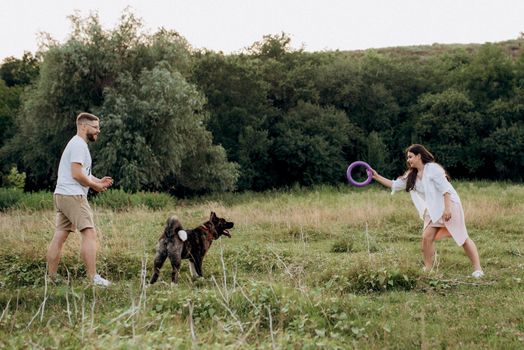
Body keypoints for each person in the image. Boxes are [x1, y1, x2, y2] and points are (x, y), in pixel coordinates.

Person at [371, 144, 484, 278]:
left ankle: (478, 269)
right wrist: (376, 177)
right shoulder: (411, 175)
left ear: (419, 156)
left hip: (450, 205)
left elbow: (446, 189)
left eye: (410, 157)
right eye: (407, 158)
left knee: (462, 238)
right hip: (433, 209)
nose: (408, 160)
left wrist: (447, 209)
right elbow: (395, 185)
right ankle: (428, 269)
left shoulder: (433, 169)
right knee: (426, 237)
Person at [46, 112, 113, 286]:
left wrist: (98, 181)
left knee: (60, 235)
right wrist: (94, 186)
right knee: (89, 233)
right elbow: (76, 174)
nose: (98, 131)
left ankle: (51, 277)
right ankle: (93, 278)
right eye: (96, 127)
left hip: (62, 194)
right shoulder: (78, 145)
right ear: (84, 126)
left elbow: (81, 172)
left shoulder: (77, 144)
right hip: (73, 195)